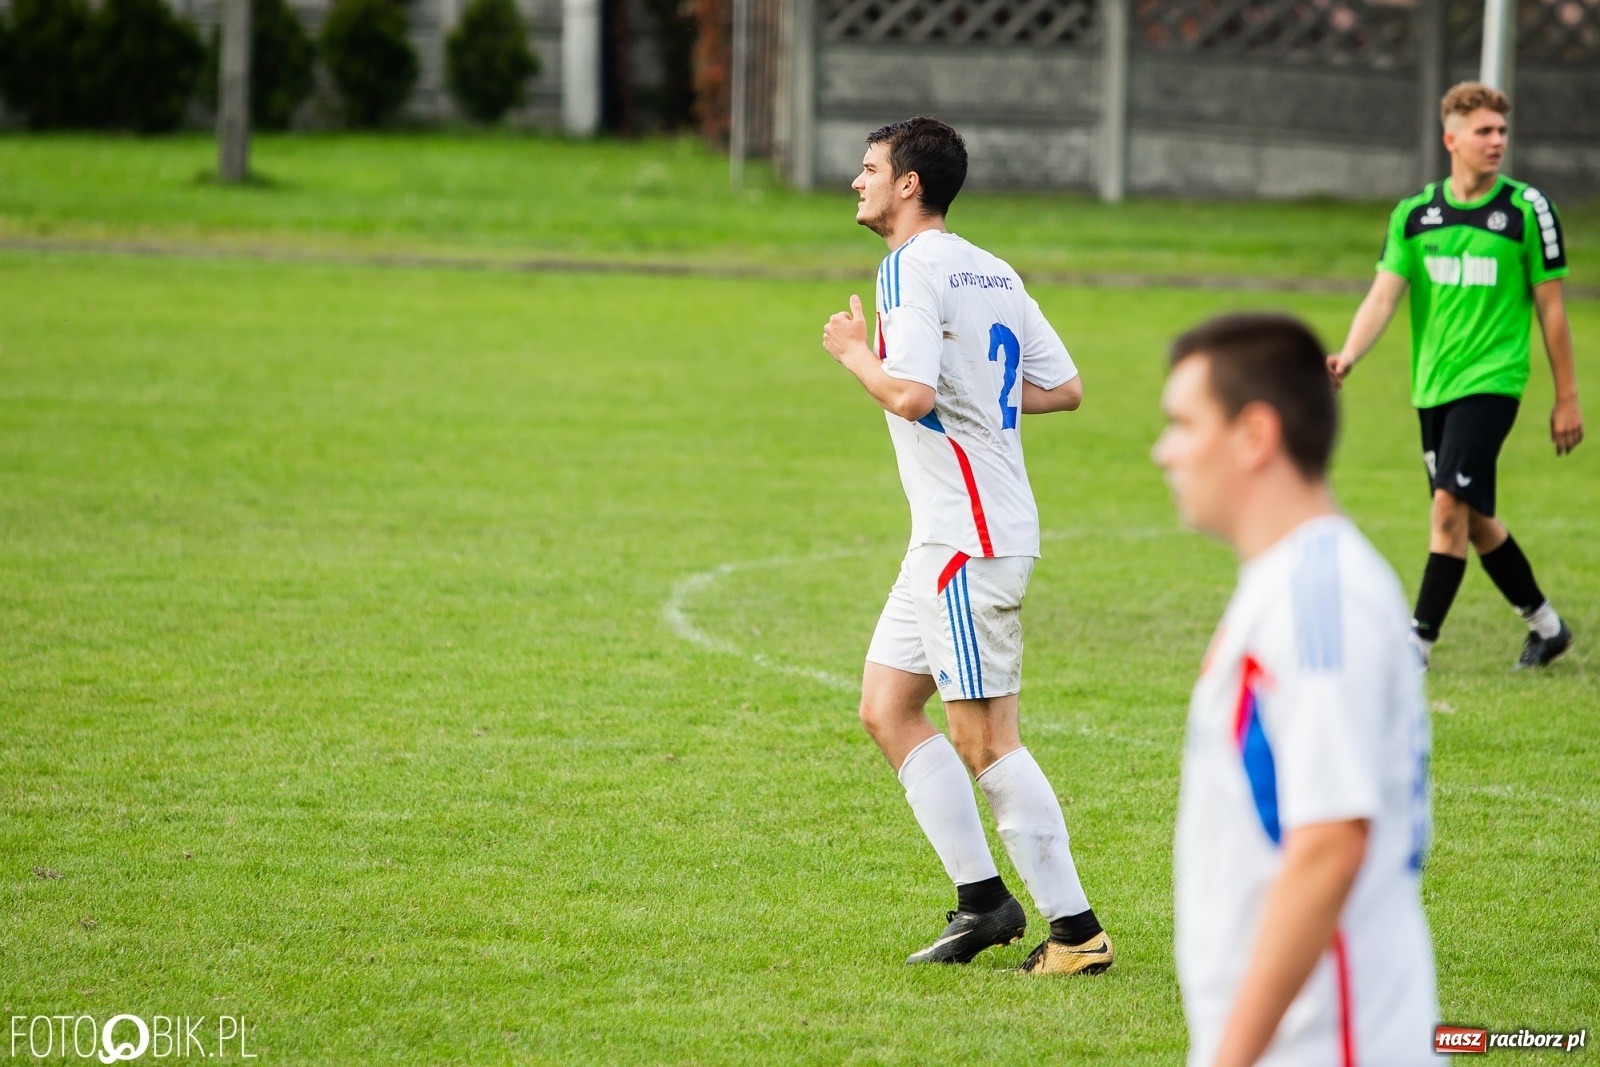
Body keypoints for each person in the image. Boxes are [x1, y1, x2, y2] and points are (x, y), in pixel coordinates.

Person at [819, 116, 1110, 975]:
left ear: (909, 183)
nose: (857, 181)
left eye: (870, 168)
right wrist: (975, 391)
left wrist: (854, 354)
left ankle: (1077, 933)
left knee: (986, 739)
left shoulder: (906, 266)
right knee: (886, 706)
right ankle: (983, 901)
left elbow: (909, 394)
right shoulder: (992, 267)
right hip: (950, 537)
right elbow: (1064, 387)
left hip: (968, 542)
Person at [1155, 313, 1437, 1067]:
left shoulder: (1320, 599)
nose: (1163, 451)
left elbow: (1329, 845)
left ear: (1255, 434)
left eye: (1183, 424)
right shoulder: (1288, 584)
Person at [1328, 81, 1582, 670]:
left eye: (1502, 131)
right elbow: (1383, 296)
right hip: (1432, 388)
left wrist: (1566, 397)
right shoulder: (1415, 215)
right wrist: (1349, 353)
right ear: (1451, 140)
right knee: (1471, 516)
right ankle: (1547, 628)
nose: (1497, 141)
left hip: (1493, 382)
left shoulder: (1527, 211)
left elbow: (1552, 310)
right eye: (1484, 131)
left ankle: (1415, 647)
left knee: (1446, 508)